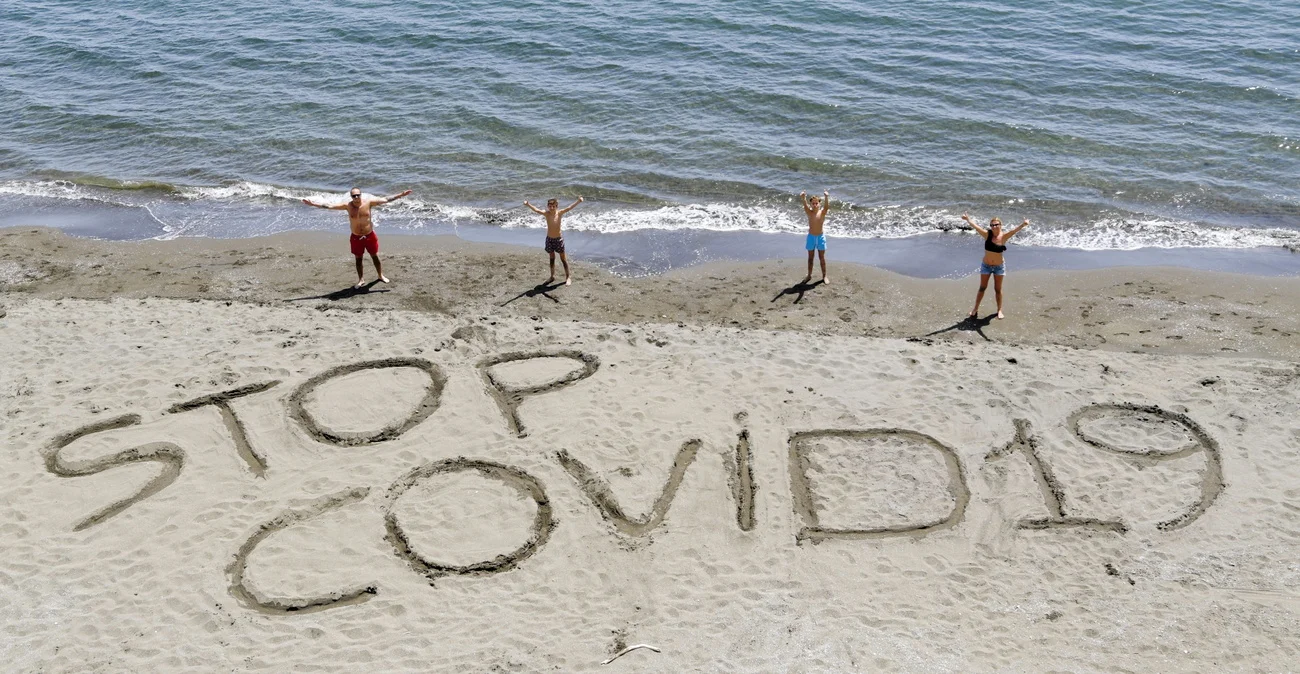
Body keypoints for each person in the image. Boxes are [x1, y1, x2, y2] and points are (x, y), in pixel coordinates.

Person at [303, 187, 412, 288]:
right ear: (351, 196)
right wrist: (313, 204)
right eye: (353, 196)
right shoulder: (347, 206)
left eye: (357, 195)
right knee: (358, 259)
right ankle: (361, 280)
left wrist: (401, 194)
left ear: (361, 195)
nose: (356, 197)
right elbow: (329, 206)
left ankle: (380, 275)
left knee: (374, 256)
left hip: (369, 235)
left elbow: (386, 199)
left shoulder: (369, 203)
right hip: (356, 237)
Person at [961, 212, 1029, 319]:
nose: (994, 227)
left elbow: (1014, 231)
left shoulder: (1004, 236)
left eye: (996, 224)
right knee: (982, 288)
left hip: (999, 267)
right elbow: (976, 227)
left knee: (998, 289)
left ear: (1000, 225)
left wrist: (1023, 224)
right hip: (986, 266)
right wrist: (967, 219)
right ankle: (975, 309)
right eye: (992, 225)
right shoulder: (987, 235)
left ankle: (999, 310)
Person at [523, 196, 583, 285]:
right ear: (548, 206)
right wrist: (528, 204)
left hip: (558, 239)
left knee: (563, 259)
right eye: (550, 206)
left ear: (556, 206)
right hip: (549, 239)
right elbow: (536, 210)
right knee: (552, 258)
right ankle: (552, 276)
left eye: (553, 206)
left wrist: (578, 201)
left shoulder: (560, 213)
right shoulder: (546, 214)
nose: (551, 208)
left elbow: (569, 208)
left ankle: (568, 277)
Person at [801, 190, 830, 284]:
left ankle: (824, 276)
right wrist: (803, 198)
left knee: (822, 257)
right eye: (813, 203)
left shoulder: (822, 212)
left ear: (819, 204)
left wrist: (826, 197)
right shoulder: (809, 213)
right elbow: (805, 206)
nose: (815, 205)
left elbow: (826, 207)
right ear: (811, 204)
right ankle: (809, 275)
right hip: (811, 237)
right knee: (810, 258)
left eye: (816, 203)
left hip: (820, 237)